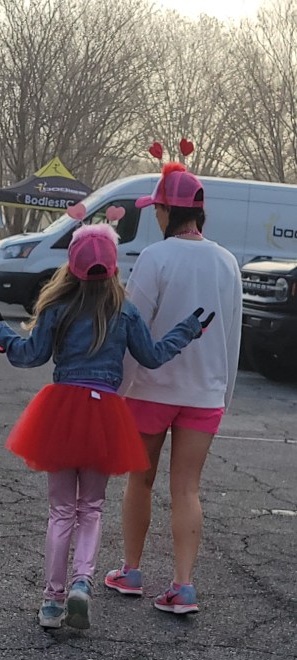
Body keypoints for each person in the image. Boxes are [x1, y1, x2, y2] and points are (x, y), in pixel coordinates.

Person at [0, 222, 213, 630]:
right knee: (92, 509)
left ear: (72, 266)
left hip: (62, 411)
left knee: (61, 511)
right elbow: (152, 357)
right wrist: (186, 331)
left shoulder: (57, 307)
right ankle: (82, 582)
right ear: (114, 268)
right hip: (104, 415)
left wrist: (0, 333)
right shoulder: (124, 310)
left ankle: (52, 601)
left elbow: (30, 356)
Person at [105, 162, 242, 614]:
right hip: (205, 393)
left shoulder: (155, 257)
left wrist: (119, 386)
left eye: (157, 209)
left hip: (150, 389)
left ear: (167, 211)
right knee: (187, 489)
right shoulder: (227, 262)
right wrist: (223, 393)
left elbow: (133, 326)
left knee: (140, 480)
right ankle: (183, 586)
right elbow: (233, 335)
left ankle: (131, 570)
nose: (155, 215)